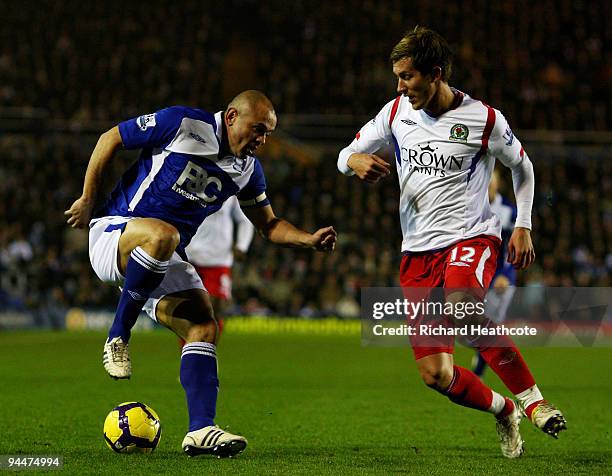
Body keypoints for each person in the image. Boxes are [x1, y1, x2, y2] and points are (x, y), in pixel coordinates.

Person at [65, 90, 337, 458]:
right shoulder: (182, 124)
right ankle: (117, 337)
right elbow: (110, 138)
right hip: (116, 232)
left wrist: (308, 239)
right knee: (164, 234)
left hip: (162, 253)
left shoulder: (247, 171)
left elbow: (269, 226)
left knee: (204, 326)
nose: (262, 140)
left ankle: (200, 429)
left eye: (268, 133)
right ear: (230, 117)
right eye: (257, 129)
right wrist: (87, 198)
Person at [337, 27, 565, 458]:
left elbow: (523, 167)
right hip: (417, 254)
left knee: (461, 307)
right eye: (398, 77)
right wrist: (354, 159)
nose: (400, 86)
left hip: (472, 238)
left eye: (407, 77)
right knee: (436, 375)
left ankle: (532, 400)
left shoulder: (484, 119)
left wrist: (524, 224)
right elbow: (342, 156)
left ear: (435, 74)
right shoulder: (394, 113)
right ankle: (502, 410)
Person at [186, 195, 254, 335]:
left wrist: (242, 245)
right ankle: (189, 353)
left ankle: (207, 352)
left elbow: (245, 219)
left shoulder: (232, 189)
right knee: (189, 309)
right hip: (190, 256)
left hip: (218, 259)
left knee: (215, 310)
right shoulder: (189, 183)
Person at [472, 170, 517, 377]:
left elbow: (514, 247)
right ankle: (483, 353)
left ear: (497, 184)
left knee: (489, 328)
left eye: (492, 181)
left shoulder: (508, 212)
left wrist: (506, 275)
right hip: (476, 275)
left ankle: (478, 373)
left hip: (500, 278)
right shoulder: (470, 206)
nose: (487, 184)